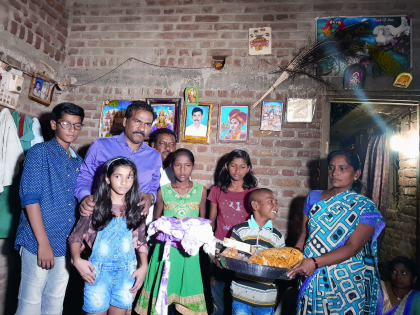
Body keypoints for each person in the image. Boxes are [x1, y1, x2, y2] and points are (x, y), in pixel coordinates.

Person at [287, 150, 385, 315]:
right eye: (331, 168)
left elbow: (353, 247)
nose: (335, 173)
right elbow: (304, 234)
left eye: (342, 168)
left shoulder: (365, 207)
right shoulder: (313, 197)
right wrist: (294, 257)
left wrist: (315, 262)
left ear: (357, 174)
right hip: (311, 274)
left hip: (345, 280)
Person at [14, 102, 85, 315]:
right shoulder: (39, 153)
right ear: (54, 124)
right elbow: (30, 200)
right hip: (38, 241)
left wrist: (78, 240)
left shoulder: (78, 162)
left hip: (65, 243)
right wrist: (43, 244)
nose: (72, 130)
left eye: (77, 125)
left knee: (55, 302)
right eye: (66, 124)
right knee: (29, 304)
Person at [68, 157, 148, 315]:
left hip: (126, 274)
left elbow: (140, 240)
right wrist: (76, 259)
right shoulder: (94, 206)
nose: (124, 182)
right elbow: (75, 237)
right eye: (118, 176)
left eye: (129, 177)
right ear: (107, 178)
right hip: (97, 275)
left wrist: (144, 266)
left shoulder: (136, 208)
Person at [135, 148, 208, 315]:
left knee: (186, 289)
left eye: (187, 165)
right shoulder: (163, 191)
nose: (182, 170)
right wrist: (167, 228)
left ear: (193, 167)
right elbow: (156, 221)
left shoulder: (201, 190)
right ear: (171, 166)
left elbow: (203, 222)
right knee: (162, 289)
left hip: (188, 251)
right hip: (165, 251)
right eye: (177, 165)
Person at [75, 101, 161, 219]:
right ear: (125, 122)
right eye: (137, 121)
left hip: (134, 221)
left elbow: (153, 187)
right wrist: (84, 198)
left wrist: (150, 197)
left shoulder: (154, 156)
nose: (142, 128)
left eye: (147, 124)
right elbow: (85, 177)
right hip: (99, 217)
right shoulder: (100, 146)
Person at [208, 149, 258, 315]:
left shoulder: (253, 193)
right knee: (218, 297)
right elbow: (212, 220)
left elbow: (257, 223)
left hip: (243, 249)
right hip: (219, 247)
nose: (237, 171)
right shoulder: (217, 190)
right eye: (233, 166)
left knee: (238, 298)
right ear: (226, 166)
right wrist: (210, 246)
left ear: (249, 168)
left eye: (242, 166)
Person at [230, 188, 285, 315]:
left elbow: (282, 264)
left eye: (276, 202)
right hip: (241, 295)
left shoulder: (277, 236)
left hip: (265, 299)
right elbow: (230, 256)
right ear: (255, 205)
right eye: (270, 201)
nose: (276, 206)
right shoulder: (239, 230)